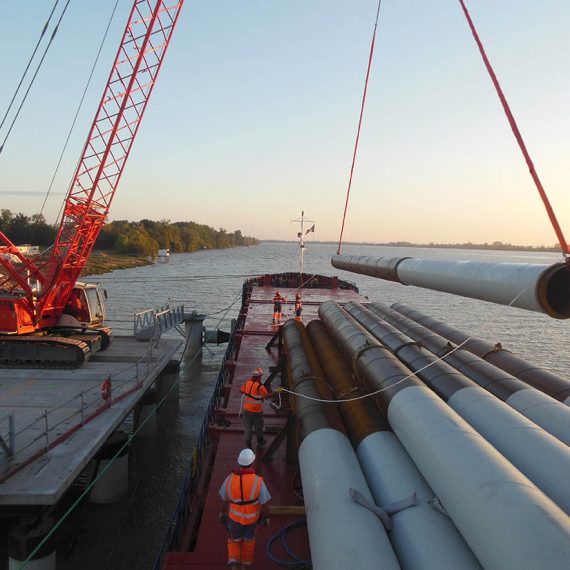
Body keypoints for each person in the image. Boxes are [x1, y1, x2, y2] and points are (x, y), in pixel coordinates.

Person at [219, 448, 271, 569]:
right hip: (252, 520)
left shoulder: (230, 479)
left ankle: (234, 565)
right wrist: (266, 517)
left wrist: (222, 513)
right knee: (249, 542)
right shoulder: (258, 481)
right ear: (252, 463)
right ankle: (245, 567)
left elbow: (225, 499)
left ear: (239, 463)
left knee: (234, 541)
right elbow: (264, 502)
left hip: (234, 519)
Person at [241, 368, 272, 448]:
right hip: (256, 411)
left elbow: (242, 391)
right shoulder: (260, 387)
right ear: (260, 376)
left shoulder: (247, 382)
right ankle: (260, 443)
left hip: (246, 410)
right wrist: (275, 392)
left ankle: (248, 444)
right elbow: (266, 397)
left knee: (248, 428)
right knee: (258, 427)